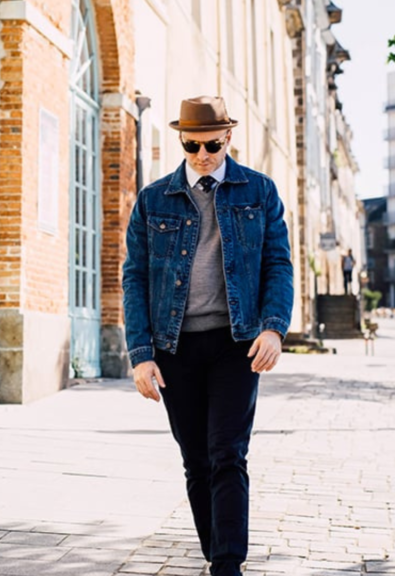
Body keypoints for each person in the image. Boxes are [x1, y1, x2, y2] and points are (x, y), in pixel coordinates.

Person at [122, 96, 293, 576]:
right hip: (174, 348)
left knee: (227, 452)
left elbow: (278, 265)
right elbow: (134, 276)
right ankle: (214, 547)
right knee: (195, 457)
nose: (201, 154)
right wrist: (140, 355)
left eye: (211, 144)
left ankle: (226, 563)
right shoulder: (154, 198)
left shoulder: (258, 191)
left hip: (236, 344)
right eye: (191, 145)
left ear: (229, 138)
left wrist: (274, 329)